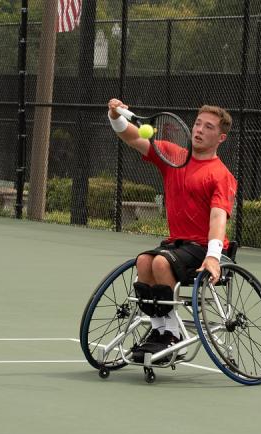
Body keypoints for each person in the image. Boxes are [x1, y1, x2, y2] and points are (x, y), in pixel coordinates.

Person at [107, 98, 237, 362]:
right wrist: (115, 115)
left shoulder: (221, 175)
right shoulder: (173, 156)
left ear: (220, 137)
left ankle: (174, 337)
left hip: (203, 248)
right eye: (198, 124)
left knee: (161, 265)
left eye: (208, 127)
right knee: (144, 262)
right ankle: (160, 331)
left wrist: (213, 256)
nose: (199, 130)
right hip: (176, 243)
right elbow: (132, 137)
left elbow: (218, 217)